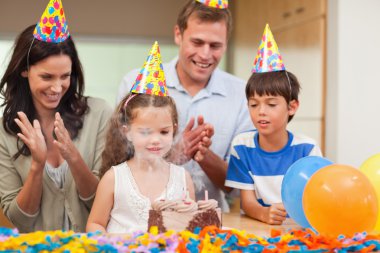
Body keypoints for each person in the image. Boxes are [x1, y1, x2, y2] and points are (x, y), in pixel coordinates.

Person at [116, 0, 252, 212]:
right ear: (178, 34)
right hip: (143, 218)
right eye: (197, 42)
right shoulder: (135, 83)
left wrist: (206, 157)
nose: (205, 54)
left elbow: (240, 189)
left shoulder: (242, 96)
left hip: (208, 223)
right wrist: (173, 153)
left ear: (226, 43)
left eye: (215, 45)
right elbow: (117, 164)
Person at [0, 0, 112, 232]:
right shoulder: (5, 132)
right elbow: (18, 220)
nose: (57, 87)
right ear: (24, 70)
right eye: (47, 77)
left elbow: (105, 205)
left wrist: (73, 157)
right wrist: (37, 165)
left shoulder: (99, 114)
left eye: (65, 76)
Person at [87, 42, 195, 233]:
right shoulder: (114, 178)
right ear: (126, 131)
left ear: (174, 129)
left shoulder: (183, 179)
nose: (156, 140)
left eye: (164, 132)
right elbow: (95, 224)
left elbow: (191, 228)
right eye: (145, 132)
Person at [224, 24, 322, 225]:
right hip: (259, 228)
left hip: (299, 231)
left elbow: (315, 199)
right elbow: (247, 202)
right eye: (253, 104)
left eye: (271, 104)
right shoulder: (242, 146)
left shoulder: (307, 149)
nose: (261, 111)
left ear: (292, 107)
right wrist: (264, 214)